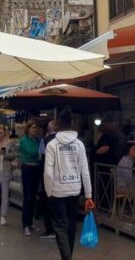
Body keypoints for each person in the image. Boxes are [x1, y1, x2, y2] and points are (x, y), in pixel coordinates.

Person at [43, 110, 94, 260]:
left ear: (58, 124)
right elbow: (85, 171)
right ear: (72, 123)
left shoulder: (52, 145)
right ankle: (68, 255)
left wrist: (48, 191)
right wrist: (89, 195)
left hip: (57, 191)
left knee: (60, 226)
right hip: (75, 189)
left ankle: (66, 257)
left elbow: (48, 172)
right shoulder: (79, 144)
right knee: (71, 224)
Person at [19, 121, 43, 236]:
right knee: (28, 196)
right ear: (28, 129)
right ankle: (25, 225)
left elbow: (41, 152)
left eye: (36, 128)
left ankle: (30, 221)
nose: (35, 130)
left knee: (34, 197)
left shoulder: (38, 140)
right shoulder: (23, 140)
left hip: (36, 169)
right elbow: (31, 152)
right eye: (33, 127)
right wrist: (37, 154)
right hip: (28, 168)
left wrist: (38, 154)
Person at [37, 120, 57, 239]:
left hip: (47, 176)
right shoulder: (62, 141)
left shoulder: (44, 141)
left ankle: (50, 229)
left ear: (48, 129)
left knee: (48, 201)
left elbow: (40, 156)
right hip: (61, 177)